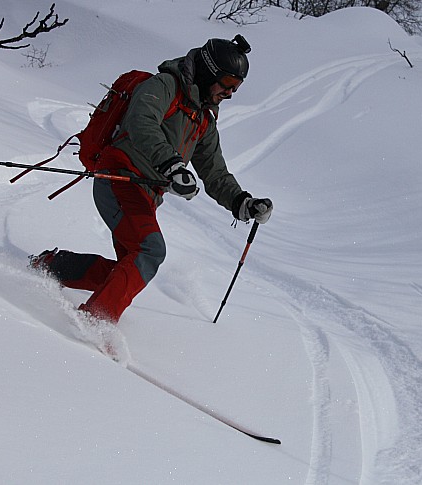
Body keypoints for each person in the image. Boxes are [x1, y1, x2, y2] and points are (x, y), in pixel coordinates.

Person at [30, 35, 273, 323]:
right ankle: (95, 320)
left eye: (237, 88)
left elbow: (214, 171)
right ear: (209, 73)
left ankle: (53, 266)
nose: (231, 93)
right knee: (150, 250)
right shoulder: (164, 86)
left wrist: (242, 202)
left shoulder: (203, 119)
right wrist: (172, 166)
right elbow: (140, 122)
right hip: (120, 177)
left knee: (130, 268)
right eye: (228, 84)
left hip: (145, 193)